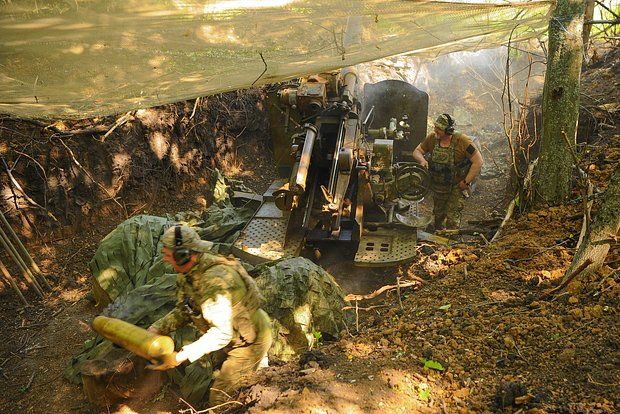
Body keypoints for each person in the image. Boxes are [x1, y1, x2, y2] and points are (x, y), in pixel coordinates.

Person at [147, 224, 272, 407]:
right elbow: (185, 309)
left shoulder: (213, 280)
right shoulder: (188, 274)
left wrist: (181, 356)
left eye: (168, 255)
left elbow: (222, 333)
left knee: (220, 398)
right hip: (235, 337)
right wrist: (157, 328)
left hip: (250, 343)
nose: (165, 259)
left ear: (183, 255)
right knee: (232, 379)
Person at [412, 114, 483, 230]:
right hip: (437, 186)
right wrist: (422, 160)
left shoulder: (463, 141)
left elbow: (478, 161)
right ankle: (437, 235)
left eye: (439, 128)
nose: (435, 130)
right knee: (438, 216)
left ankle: (451, 239)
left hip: (455, 187)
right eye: (435, 127)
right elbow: (417, 151)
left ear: (448, 130)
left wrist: (466, 182)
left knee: (452, 219)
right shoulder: (432, 138)